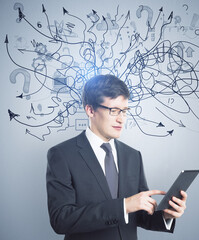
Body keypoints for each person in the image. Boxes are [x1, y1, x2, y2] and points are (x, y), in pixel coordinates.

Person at [46, 74, 187, 240]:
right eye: (113, 111)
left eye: (124, 111)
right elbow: (61, 220)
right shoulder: (62, 155)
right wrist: (123, 206)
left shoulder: (133, 156)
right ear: (90, 110)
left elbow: (140, 215)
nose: (121, 119)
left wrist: (166, 215)